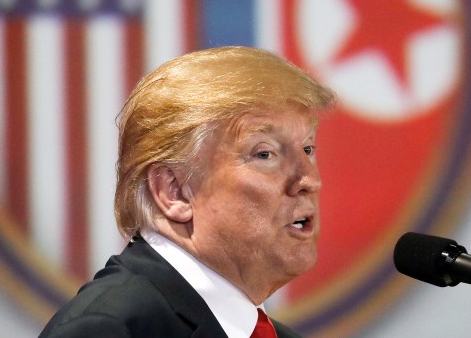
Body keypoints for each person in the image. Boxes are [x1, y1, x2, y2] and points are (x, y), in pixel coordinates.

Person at [40, 46, 337, 338]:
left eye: (308, 148)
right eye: (264, 154)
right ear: (175, 191)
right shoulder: (107, 329)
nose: (310, 179)